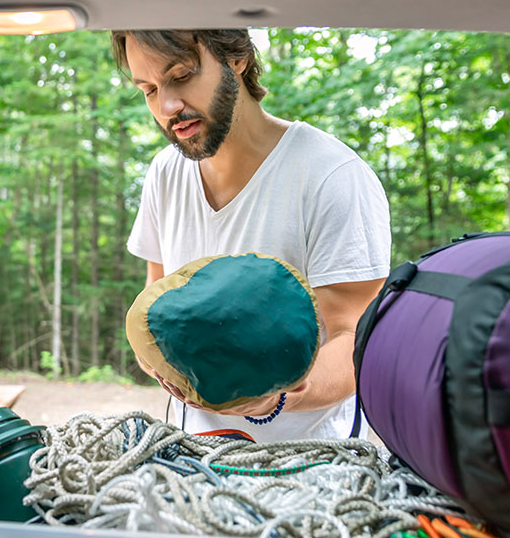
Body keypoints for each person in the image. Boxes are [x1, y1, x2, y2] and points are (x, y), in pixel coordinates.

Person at [114, 29, 391, 441]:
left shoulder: (331, 175)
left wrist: (277, 398)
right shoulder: (165, 173)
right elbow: (154, 298)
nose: (167, 106)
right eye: (149, 90)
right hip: (195, 456)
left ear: (236, 56)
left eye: (182, 75)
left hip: (310, 466)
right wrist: (155, 359)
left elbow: (356, 343)